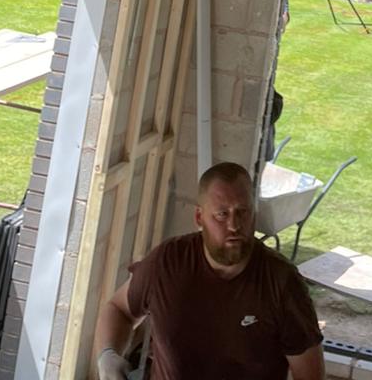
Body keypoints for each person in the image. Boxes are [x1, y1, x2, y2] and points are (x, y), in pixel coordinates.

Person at [94, 161, 325, 380]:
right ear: (199, 217)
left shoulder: (282, 283)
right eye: (222, 215)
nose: (234, 225)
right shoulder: (167, 263)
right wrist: (108, 356)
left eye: (242, 212)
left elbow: (310, 375)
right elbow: (120, 309)